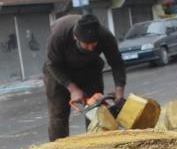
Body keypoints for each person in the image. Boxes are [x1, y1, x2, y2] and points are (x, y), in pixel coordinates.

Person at [43, 13, 125, 141]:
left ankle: (96, 142)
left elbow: (117, 63)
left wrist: (119, 93)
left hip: (90, 68)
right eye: (87, 44)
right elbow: (52, 65)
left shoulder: (105, 35)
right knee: (58, 114)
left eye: (94, 44)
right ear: (75, 37)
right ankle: (58, 147)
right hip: (59, 70)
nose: (91, 48)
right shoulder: (59, 36)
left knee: (96, 109)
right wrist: (73, 89)